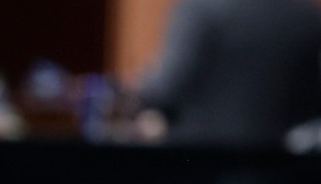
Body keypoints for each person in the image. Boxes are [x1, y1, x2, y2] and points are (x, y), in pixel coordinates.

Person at [134, 0, 321, 148]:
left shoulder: (200, 9)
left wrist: (143, 84)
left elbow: (166, 88)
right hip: (278, 171)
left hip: (201, 165)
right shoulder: (309, 18)